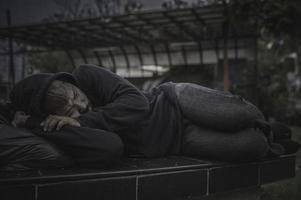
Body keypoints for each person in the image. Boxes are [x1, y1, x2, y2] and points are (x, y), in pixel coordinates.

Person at [10, 64, 284, 163]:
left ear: (69, 82)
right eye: (68, 109)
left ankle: (269, 127)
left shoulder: (87, 74)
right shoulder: (61, 125)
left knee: (240, 116)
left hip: (174, 100)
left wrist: (79, 119)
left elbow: (137, 104)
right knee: (251, 145)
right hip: (176, 140)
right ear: (52, 115)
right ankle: (270, 138)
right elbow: (108, 146)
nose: (79, 106)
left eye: (75, 96)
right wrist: (36, 123)